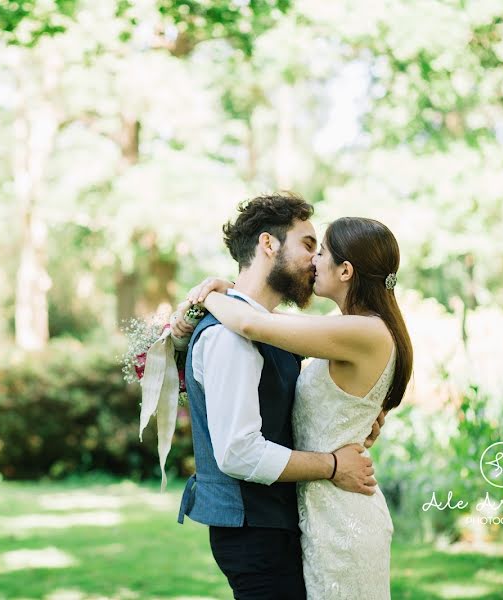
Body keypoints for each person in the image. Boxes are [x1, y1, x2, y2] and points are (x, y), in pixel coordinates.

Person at [176, 210, 413, 599]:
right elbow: (261, 325)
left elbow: (253, 324)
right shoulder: (338, 329)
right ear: (268, 245)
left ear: (346, 271)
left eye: (321, 252)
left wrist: (212, 295)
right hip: (310, 514)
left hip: (340, 516)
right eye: (309, 246)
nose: (314, 260)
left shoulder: (359, 330)